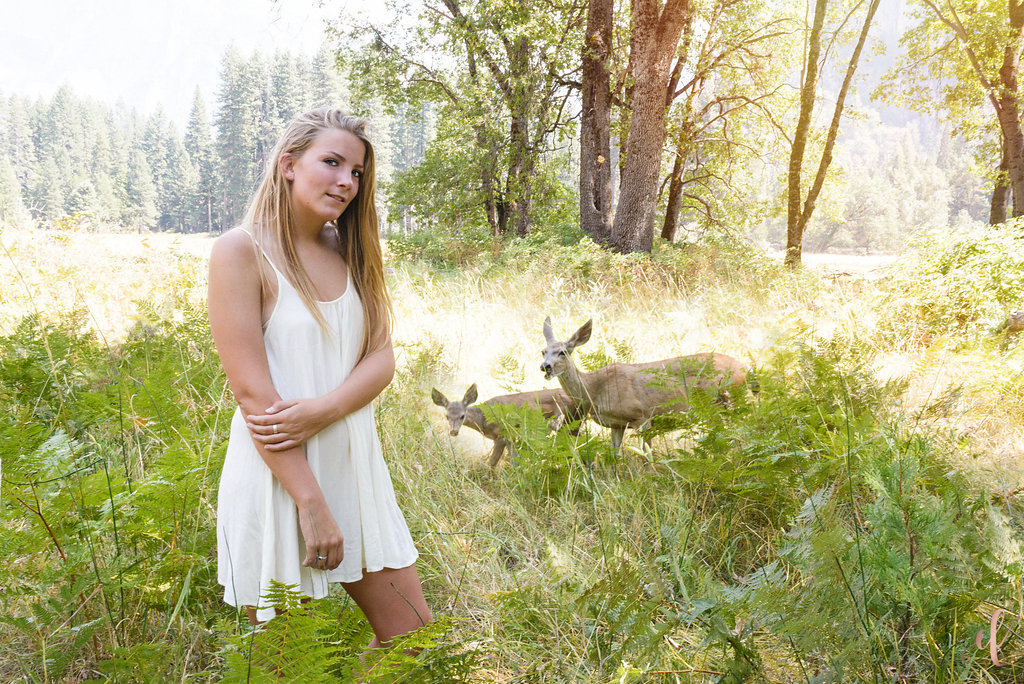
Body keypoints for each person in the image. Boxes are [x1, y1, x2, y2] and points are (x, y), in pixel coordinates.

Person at [207, 108, 432, 646]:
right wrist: (310, 503)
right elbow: (253, 394)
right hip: (279, 480)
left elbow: (381, 357)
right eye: (331, 162)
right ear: (288, 164)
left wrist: (323, 410)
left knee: (414, 638)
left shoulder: (353, 250)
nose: (346, 182)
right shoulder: (240, 251)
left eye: (356, 172)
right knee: (286, 667)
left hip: (355, 470)